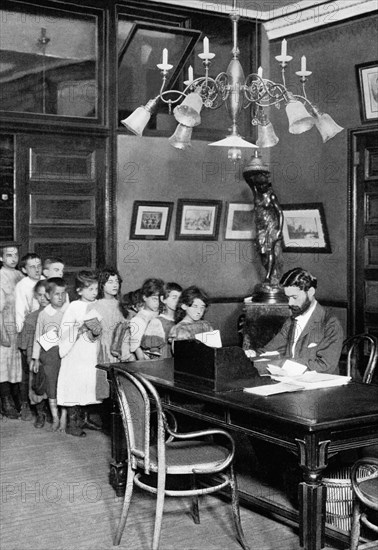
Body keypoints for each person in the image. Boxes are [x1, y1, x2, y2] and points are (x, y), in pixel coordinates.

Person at [248, 267, 344, 374]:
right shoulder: (292, 321)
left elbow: (325, 366)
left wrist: (285, 364)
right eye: (287, 298)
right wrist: (252, 354)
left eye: (294, 297)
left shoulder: (329, 323)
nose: (290, 303)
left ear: (311, 292)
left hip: (321, 385)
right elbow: (269, 350)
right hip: (293, 381)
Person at [57, 270, 102, 437]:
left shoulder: (98, 304)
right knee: (75, 385)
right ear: (79, 290)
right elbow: (65, 330)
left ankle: (86, 417)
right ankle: (72, 422)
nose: (94, 293)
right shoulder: (74, 306)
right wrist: (81, 328)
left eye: (96, 289)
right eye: (90, 289)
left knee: (88, 383)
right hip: (76, 351)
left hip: (91, 351)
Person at [31, 278, 68, 431]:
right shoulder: (44, 314)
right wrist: (35, 358)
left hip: (66, 354)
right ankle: (55, 418)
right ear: (48, 295)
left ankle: (65, 417)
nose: (61, 297)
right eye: (56, 294)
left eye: (63, 293)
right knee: (51, 387)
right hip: (49, 355)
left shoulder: (68, 311)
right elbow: (37, 338)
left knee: (65, 386)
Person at [14, 253, 44, 420]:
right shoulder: (23, 286)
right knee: (29, 369)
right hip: (30, 329)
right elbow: (20, 312)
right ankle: (27, 404)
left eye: (39, 265)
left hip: (47, 328)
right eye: (32, 266)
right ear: (24, 269)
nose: (37, 269)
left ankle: (44, 404)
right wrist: (23, 336)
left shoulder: (46, 281)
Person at [18, 279, 50, 427]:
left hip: (53, 358)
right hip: (36, 359)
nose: (44, 298)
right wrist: (30, 358)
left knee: (51, 386)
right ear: (36, 296)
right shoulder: (31, 317)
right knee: (37, 387)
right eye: (40, 295)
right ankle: (40, 413)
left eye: (47, 294)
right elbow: (24, 343)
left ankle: (51, 412)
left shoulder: (59, 315)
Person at [0, 242, 24, 419]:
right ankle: (5, 401)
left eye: (16, 254)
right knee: (3, 366)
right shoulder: (0, 276)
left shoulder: (20, 275)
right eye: (9, 255)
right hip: (4, 325)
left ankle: (17, 399)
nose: (13, 258)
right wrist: (2, 334)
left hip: (19, 327)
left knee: (16, 365)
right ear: (1, 258)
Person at [95, 267, 125, 398]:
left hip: (120, 347)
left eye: (117, 281)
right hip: (102, 347)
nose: (115, 285)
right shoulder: (95, 305)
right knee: (106, 384)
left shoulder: (121, 305)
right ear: (102, 284)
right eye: (110, 281)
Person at [129, 278, 165, 360]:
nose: (158, 303)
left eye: (160, 299)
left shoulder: (160, 316)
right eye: (154, 299)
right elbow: (136, 347)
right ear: (145, 297)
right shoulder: (138, 319)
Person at [146, 282, 182, 358]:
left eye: (180, 298)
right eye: (174, 297)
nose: (177, 301)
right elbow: (154, 353)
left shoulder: (181, 321)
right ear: (163, 299)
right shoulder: (157, 322)